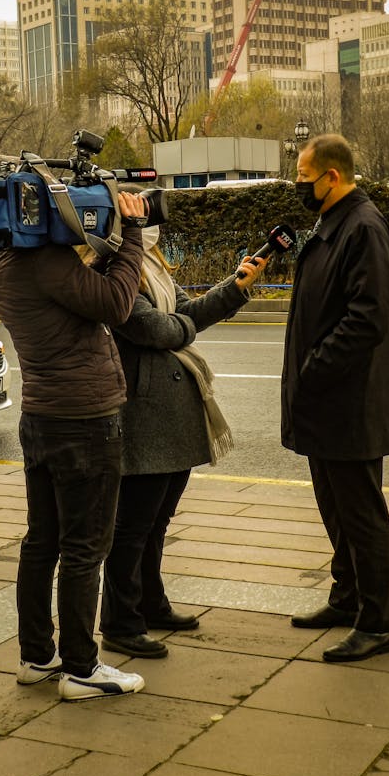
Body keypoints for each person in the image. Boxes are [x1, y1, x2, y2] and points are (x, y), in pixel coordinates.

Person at [0, 190, 150, 702]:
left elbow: (76, 287)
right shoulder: (49, 263)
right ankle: (82, 667)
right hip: (84, 420)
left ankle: (37, 656)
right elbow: (117, 303)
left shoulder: (2, 260)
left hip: (41, 416)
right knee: (84, 548)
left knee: (42, 541)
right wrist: (133, 233)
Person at [98, 225, 267, 658]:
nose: (151, 226)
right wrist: (182, 326)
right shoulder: (113, 267)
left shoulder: (151, 265)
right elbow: (153, 329)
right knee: (132, 527)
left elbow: (185, 313)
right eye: (140, 218)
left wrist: (235, 286)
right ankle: (120, 622)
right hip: (145, 416)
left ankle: (150, 605)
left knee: (156, 523)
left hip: (171, 416)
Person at [281, 133, 389, 663]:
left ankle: (376, 623)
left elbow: (366, 317)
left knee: (361, 515)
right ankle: (346, 597)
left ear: (332, 176)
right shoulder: (334, 221)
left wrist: (315, 368)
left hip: (347, 404)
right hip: (324, 404)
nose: (298, 186)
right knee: (335, 509)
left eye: (304, 178)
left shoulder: (364, 226)